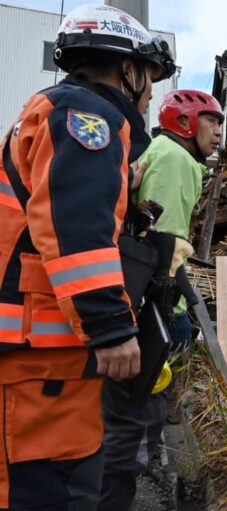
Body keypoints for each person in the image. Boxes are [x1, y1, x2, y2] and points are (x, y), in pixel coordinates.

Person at [0, 4, 174, 510]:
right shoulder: (88, 117)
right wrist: (111, 326)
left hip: (44, 352)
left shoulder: (52, 112)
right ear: (129, 69)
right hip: (39, 358)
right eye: (150, 81)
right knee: (47, 491)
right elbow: (73, 227)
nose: (149, 96)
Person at [98, 90, 223, 510]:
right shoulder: (176, 159)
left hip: (140, 293)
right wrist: (170, 306)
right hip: (150, 302)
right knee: (142, 401)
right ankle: (130, 481)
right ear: (186, 123)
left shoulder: (167, 152)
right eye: (212, 121)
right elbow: (162, 244)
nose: (219, 131)